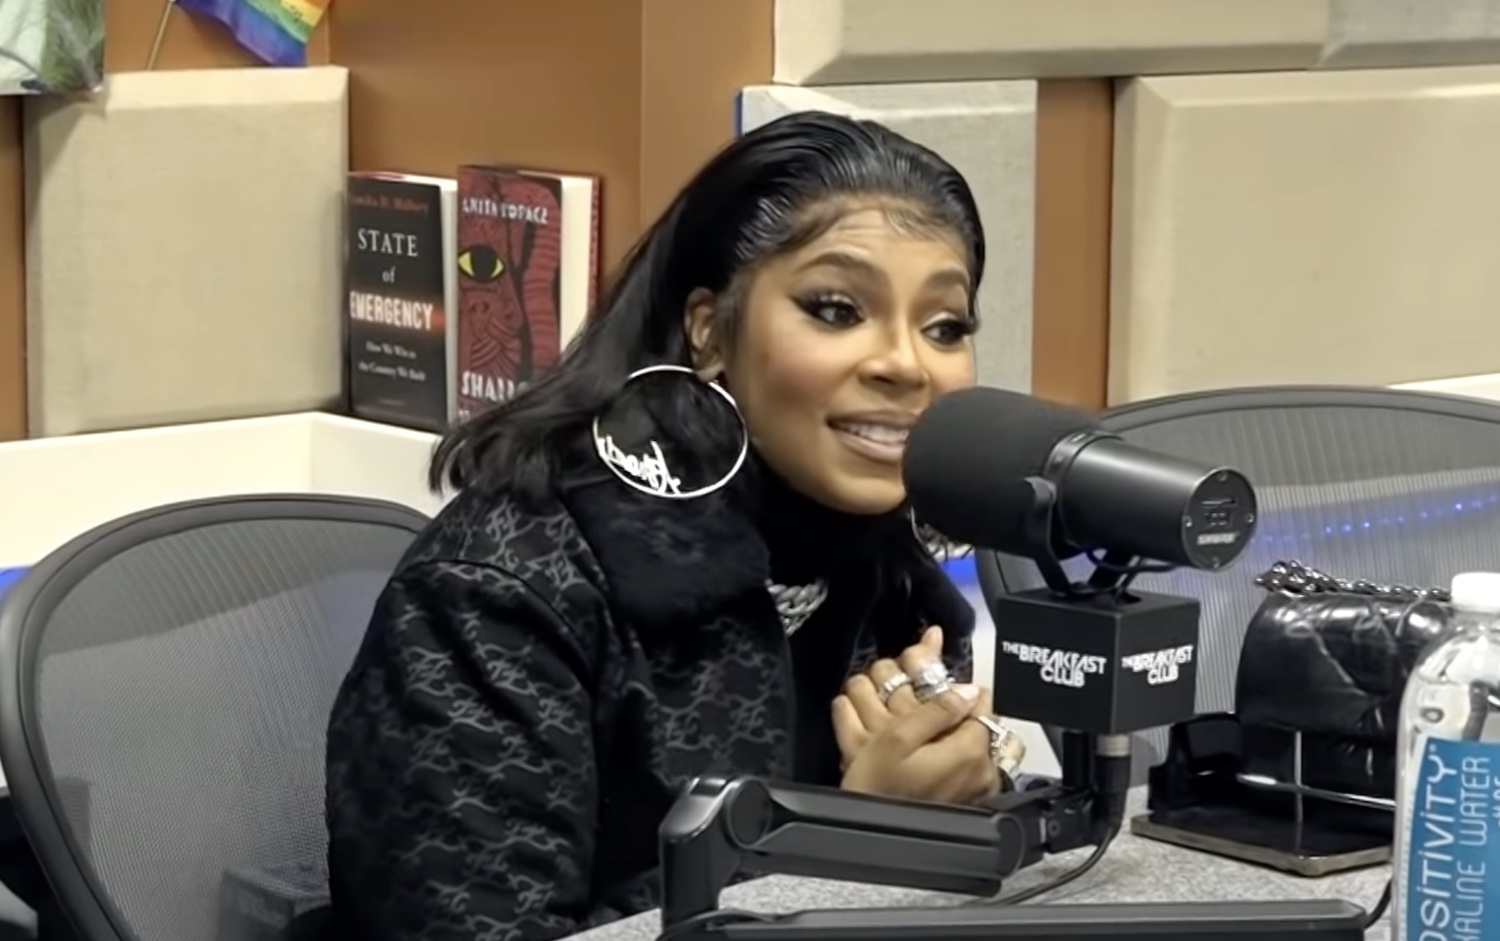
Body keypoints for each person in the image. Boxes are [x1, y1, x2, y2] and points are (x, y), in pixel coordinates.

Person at [324, 111, 1022, 941]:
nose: (906, 363)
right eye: (837, 309)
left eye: (945, 326)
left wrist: (962, 809)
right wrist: (852, 840)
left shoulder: (893, 572)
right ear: (709, 330)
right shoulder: (499, 591)